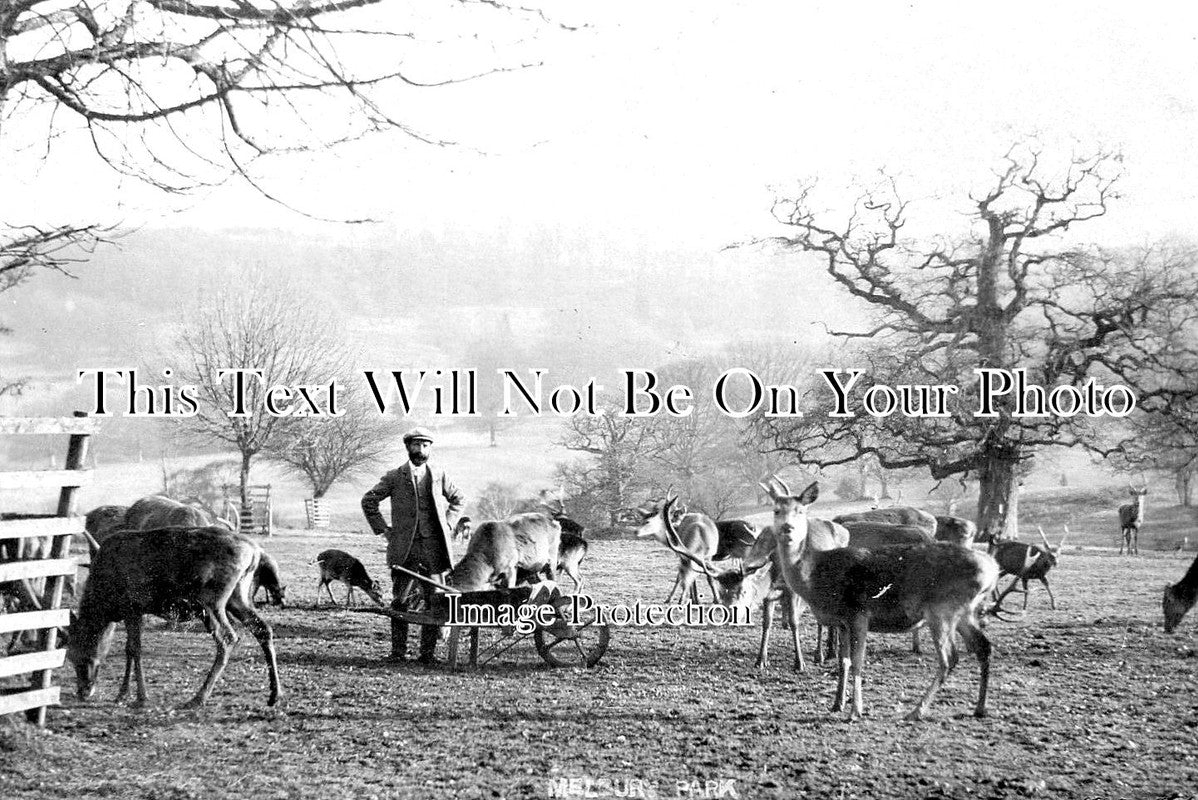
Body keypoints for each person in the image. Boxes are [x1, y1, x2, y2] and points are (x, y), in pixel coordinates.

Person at [361, 427, 464, 664]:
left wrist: (448, 524)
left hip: (433, 550)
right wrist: (384, 530)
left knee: (434, 600)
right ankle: (398, 653)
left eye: (425, 445)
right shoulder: (395, 477)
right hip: (404, 550)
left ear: (430, 448)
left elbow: (459, 500)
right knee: (400, 601)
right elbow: (369, 500)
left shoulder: (439, 475)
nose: (421, 450)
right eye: (416, 445)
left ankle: (426, 655)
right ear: (408, 447)